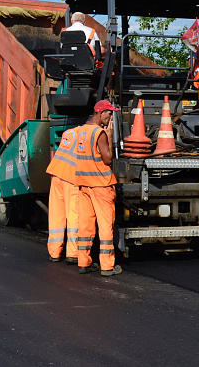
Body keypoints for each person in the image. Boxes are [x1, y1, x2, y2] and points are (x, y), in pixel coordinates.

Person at [74, 99, 122, 277]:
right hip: (101, 185)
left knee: (85, 225)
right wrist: (109, 136)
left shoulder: (82, 131)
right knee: (105, 225)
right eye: (109, 114)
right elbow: (107, 159)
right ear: (99, 113)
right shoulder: (99, 133)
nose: (110, 117)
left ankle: (84, 262)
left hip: (84, 184)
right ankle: (107, 266)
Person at [45, 127, 80, 264]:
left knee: (56, 215)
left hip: (57, 174)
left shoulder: (70, 132)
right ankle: (73, 253)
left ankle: (54, 252)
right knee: (73, 215)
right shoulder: (90, 135)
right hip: (71, 177)